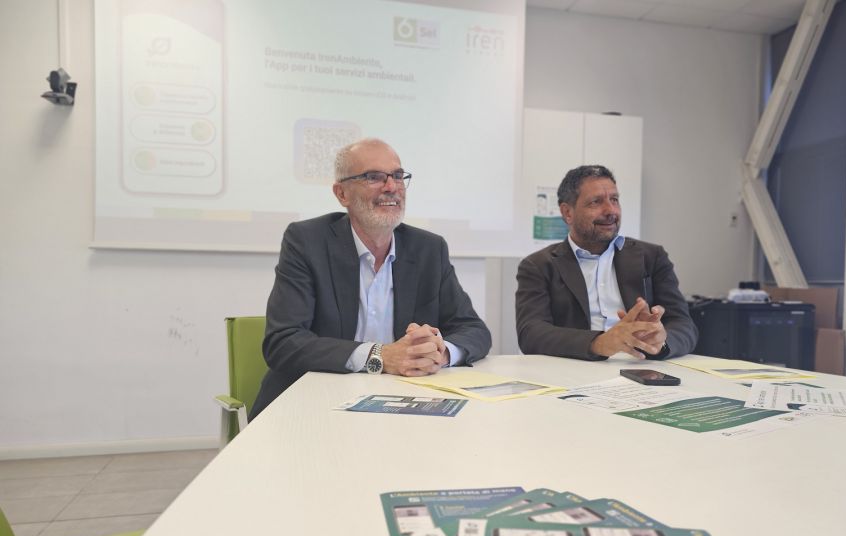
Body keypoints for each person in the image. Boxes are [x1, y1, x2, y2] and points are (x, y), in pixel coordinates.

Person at [250, 138, 491, 420]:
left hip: (402, 406)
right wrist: (380, 356)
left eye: (398, 176)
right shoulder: (307, 241)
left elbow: (474, 329)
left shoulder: (429, 249)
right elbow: (283, 342)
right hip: (311, 405)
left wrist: (439, 352)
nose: (391, 187)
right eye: (374, 177)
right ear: (342, 193)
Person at [515, 165, 697, 362]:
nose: (611, 210)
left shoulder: (652, 257)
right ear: (568, 213)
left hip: (640, 367)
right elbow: (531, 333)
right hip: (575, 367)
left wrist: (661, 341)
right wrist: (598, 343)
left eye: (614, 200)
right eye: (596, 202)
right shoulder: (538, 265)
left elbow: (684, 325)